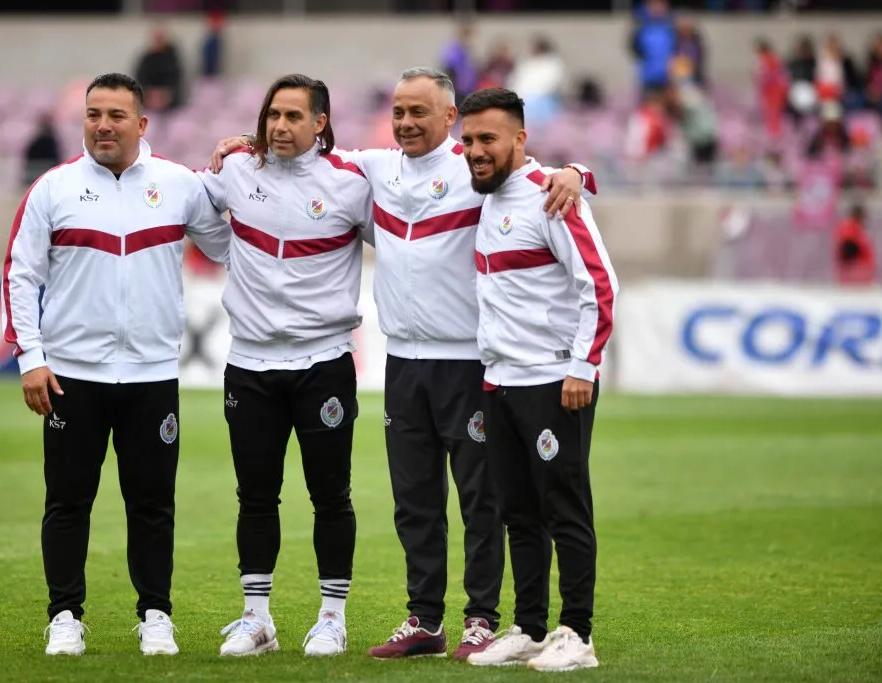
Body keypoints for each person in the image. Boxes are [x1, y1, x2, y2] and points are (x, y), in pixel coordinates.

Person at [208, 67, 594, 661]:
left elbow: (532, 170)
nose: (407, 123)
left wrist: (578, 172)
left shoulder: (476, 170)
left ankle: (481, 618)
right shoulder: (373, 169)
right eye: (399, 113)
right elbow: (307, 156)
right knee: (414, 500)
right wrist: (247, 142)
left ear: (450, 120)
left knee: (479, 498)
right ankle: (425, 620)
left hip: (469, 360)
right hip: (403, 360)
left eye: (421, 113)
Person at [1, 72, 232, 658]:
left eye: (116, 115)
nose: (103, 125)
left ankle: (155, 614)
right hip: (73, 376)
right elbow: (21, 275)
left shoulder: (179, 184)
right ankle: (64, 616)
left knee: (152, 503)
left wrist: (240, 178)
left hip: (153, 375)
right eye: (93, 114)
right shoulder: (52, 188)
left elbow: (229, 246)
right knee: (68, 500)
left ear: (141, 123)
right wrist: (31, 358)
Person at [200, 74, 372, 658]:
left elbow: (406, 237)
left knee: (331, 496)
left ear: (319, 123)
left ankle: (332, 618)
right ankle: (256, 619)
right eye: (273, 114)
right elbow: (188, 206)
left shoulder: (352, 183)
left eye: (294, 116)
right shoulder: (237, 170)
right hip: (248, 363)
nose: (280, 126)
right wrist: (232, 255)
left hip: (323, 362)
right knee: (255, 496)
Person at [457, 88, 617, 672]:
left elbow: (600, 286)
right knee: (516, 512)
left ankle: (578, 633)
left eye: (488, 139)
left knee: (565, 506)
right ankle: (528, 627)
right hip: (498, 382)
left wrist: (583, 367)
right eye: (468, 140)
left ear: (520, 139)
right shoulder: (482, 190)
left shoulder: (550, 195)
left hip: (554, 381)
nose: (475, 150)